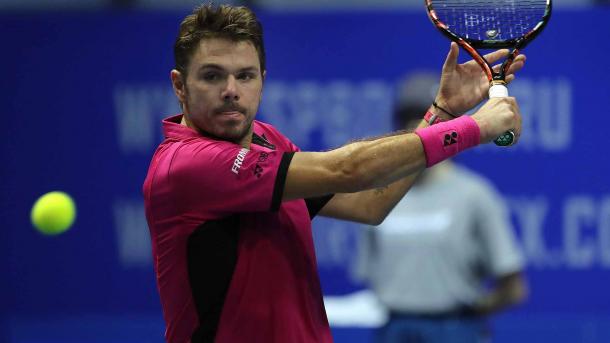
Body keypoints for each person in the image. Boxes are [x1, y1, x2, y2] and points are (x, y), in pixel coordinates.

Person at [142, 4, 526, 343]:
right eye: (212, 76)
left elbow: (367, 203)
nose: (231, 90)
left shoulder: (266, 139)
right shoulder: (186, 166)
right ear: (179, 85)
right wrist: (476, 128)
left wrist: (441, 111)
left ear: (262, 78)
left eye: (245, 76)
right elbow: (347, 169)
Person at [353, 72, 528, 343]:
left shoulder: (474, 196)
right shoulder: (379, 197)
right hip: (394, 330)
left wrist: (468, 317)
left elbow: (513, 287)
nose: (417, 130)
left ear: (450, 129)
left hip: (456, 328)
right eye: (407, 120)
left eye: (430, 121)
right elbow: (367, 274)